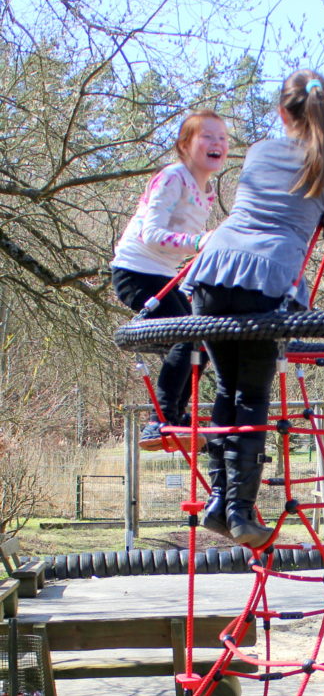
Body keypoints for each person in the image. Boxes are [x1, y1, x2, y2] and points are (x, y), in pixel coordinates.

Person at [182, 69, 324, 548]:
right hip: (268, 284)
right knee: (251, 395)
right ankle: (240, 511)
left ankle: (221, 500)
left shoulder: (259, 151)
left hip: (213, 274)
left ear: (283, 112)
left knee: (227, 391)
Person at [111, 110, 230, 450]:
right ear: (185, 144)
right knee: (186, 337)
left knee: (201, 340)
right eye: (207, 137)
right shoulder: (172, 178)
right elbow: (151, 234)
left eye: (222, 138)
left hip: (164, 274)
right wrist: (197, 242)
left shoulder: (205, 190)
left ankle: (175, 420)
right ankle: (159, 421)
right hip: (136, 270)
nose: (217, 143)